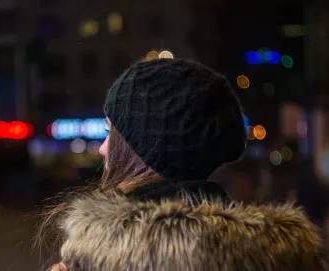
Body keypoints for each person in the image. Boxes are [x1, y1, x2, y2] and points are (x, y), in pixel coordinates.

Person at [43, 57, 326, 271]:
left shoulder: (98, 260)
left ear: (148, 149)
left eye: (110, 133)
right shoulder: (276, 254)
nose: (103, 149)